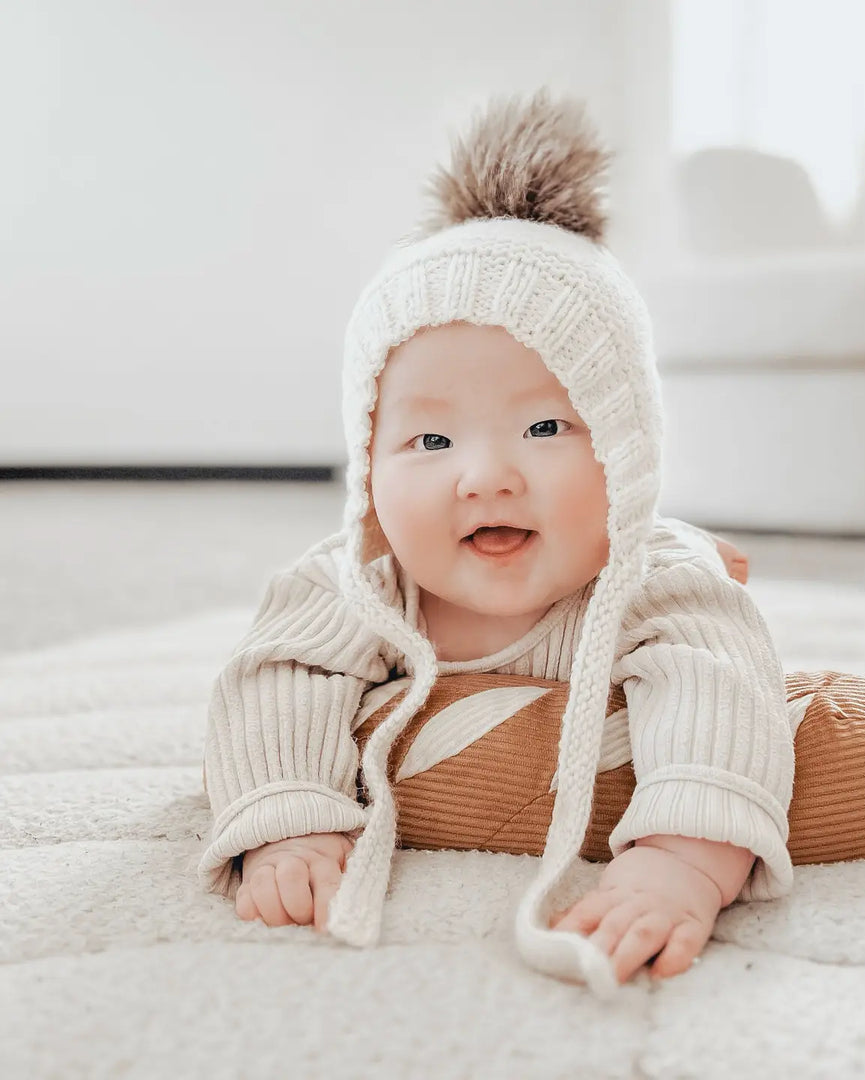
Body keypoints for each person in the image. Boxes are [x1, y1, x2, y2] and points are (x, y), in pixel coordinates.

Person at [198, 89, 794, 998]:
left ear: (628, 448)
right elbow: (276, 679)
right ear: (366, 468)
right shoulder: (356, 581)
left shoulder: (655, 587)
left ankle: (722, 549)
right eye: (430, 442)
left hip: (654, 571)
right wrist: (290, 818)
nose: (484, 477)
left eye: (547, 428)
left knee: (722, 620)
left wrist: (681, 859)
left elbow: (722, 691)